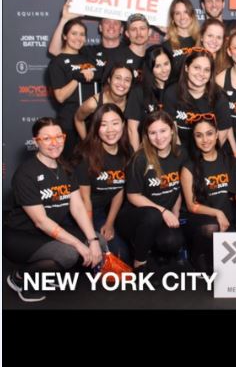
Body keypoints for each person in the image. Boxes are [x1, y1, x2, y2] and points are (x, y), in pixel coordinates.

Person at [3, 118, 103, 302]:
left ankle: (48, 274)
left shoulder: (65, 168)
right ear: (36, 142)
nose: (55, 143)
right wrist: (78, 244)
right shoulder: (26, 174)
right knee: (68, 253)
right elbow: (41, 221)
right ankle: (21, 278)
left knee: (99, 240)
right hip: (21, 235)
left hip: (48, 232)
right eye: (47, 138)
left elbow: (78, 207)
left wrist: (93, 239)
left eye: (59, 136)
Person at [115, 111, 187, 274]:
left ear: (172, 130)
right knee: (153, 215)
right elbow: (132, 195)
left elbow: (178, 187)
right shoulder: (140, 159)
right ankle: (139, 263)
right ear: (146, 135)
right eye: (153, 132)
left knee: (173, 242)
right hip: (134, 218)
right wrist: (163, 211)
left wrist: (174, 212)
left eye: (163, 131)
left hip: (162, 216)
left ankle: (151, 251)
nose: (159, 137)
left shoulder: (181, 154)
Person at [74, 104, 132, 263]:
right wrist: (92, 236)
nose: (110, 130)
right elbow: (84, 201)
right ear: (96, 128)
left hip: (100, 212)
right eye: (103, 125)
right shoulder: (86, 154)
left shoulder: (126, 153)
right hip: (78, 213)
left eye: (115, 123)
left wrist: (109, 223)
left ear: (123, 125)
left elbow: (119, 190)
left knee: (122, 257)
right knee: (94, 254)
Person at [181, 116, 233, 274]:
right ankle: (197, 256)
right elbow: (191, 205)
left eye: (209, 133)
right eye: (199, 135)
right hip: (201, 219)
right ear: (194, 138)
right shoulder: (189, 168)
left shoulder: (229, 160)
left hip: (226, 217)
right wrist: (217, 213)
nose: (205, 140)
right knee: (211, 227)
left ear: (217, 134)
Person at [48, 18, 100, 159]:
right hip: (70, 122)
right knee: (72, 164)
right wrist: (77, 78)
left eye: (82, 34)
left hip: (93, 121)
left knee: (94, 162)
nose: (78, 38)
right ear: (65, 36)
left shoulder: (89, 57)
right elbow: (60, 96)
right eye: (74, 33)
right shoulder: (57, 62)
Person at [164, 49, 233, 151]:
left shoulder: (219, 97)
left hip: (209, 153)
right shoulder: (171, 93)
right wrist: (181, 158)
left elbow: (221, 137)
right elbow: (172, 132)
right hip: (179, 152)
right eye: (196, 68)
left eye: (206, 70)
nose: (201, 73)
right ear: (187, 68)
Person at [48, 0, 126, 66]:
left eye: (115, 23)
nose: (111, 26)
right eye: (107, 22)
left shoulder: (131, 50)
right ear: (100, 27)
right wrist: (64, 19)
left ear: (121, 29)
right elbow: (55, 51)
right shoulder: (88, 52)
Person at [126, 44, 173, 150]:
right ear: (149, 67)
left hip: (171, 150)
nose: (164, 70)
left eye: (166, 64)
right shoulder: (138, 91)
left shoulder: (176, 88)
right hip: (147, 149)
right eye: (157, 66)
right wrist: (137, 158)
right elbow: (132, 129)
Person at [74, 62, 133, 140]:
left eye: (127, 80)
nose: (122, 83)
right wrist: (87, 143)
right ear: (109, 80)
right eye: (118, 78)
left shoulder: (133, 101)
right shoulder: (93, 103)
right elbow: (78, 119)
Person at [162, 0, 201, 83]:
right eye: (177, 13)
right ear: (173, 18)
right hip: (174, 93)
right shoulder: (166, 46)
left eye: (186, 12)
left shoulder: (201, 42)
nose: (182, 17)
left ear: (192, 15)